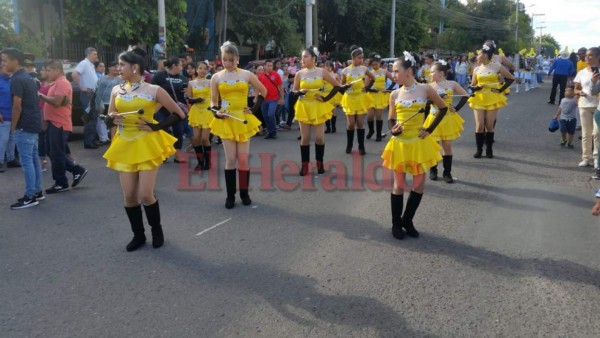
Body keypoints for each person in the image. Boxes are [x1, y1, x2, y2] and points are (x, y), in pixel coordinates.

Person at [103, 48, 185, 252]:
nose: (117, 68)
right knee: (129, 196)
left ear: (135, 67)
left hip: (146, 143)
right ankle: (138, 235)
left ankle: (156, 230)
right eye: (118, 65)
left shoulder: (153, 90)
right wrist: (112, 118)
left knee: (145, 194)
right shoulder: (117, 90)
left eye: (122, 64)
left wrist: (156, 126)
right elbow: (109, 115)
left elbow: (178, 114)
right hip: (124, 143)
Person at [382, 52, 448, 240]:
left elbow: (442, 108)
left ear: (409, 71)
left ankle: (407, 220)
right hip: (400, 144)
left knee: (419, 185)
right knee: (399, 185)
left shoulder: (426, 89)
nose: (393, 75)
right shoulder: (394, 94)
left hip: (419, 143)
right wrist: (393, 129)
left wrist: (429, 129)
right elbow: (391, 118)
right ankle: (396, 224)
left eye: (396, 71)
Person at [209, 42, 266, 209]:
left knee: (242, 159)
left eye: (231, 59)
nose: (228, 63)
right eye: (224, 59)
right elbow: (213, 100)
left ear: (237, 59)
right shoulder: (216, 77)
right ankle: (230, 196)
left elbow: (263, 91)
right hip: (226, 119)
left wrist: (254, 108)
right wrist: (215, 111)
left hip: (242, 119)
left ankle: (244, 193)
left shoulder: (247, 74)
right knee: (230, 159)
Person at [1, 48, 43, 209]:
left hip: (24, 125)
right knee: (33, 159)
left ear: (15, 61)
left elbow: (17, 106)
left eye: (5, 60)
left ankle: (30, 196)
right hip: (32, 123)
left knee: (27, 162)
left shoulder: (17, 79)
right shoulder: (27, 77)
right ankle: (37, 191)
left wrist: (13, 126)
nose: (3, 64)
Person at [39, 60, 88, 193]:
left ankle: (61, 182)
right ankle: (77, 170)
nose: (47, 73)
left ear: (57, 70)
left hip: (59, 123)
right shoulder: (55, 83)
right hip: (53, 122)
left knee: (57, 153)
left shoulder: (62, 83)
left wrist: (41, 96)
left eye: (49, 70)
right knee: (52, 152)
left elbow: (57, 102)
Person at [291, 46, 341, 176]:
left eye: (306, 56)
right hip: (304, 106)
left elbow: (337, 86)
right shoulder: (299, 74)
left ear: (314, 58)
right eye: (302, 57)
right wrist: (299, 92)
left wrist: (326, 98)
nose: (303, 59)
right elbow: (293, 92)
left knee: (319, 137)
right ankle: (305, 166)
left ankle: (320, 164)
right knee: (305, 138)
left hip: (318, 106)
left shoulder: (322, 72)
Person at [468, 43, 514, 158]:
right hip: (479, 98)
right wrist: (476, 88)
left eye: (478, 54)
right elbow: (472, 85)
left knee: (489, 125)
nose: (476, 56)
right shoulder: (476, 69)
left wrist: (500, 90)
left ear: (485, 55)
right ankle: (479, 150)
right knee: (479, 125)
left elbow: (510, 78)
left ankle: (489, 149)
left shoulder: (496, 66)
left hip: (492, 97)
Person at [426, 61, 468, 183]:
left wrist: (456, 108)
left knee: (447, 146)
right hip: (433, 118)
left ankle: (447, 172)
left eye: (432, 71)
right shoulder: (429, 86)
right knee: (433, 146)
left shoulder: (452, 84)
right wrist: (436, 99)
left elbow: (466, 95)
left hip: (447, 118)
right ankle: (433, 170)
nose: (430, 74)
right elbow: (425, 103)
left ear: (440, 73)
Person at [151, 57, 188, 163]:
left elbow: (186, 95)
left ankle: (178, 155)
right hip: (161, 108)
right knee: (163, 131)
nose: (182, 67)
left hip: (176, 109)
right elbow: (152, 91)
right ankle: (163, 154)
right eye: (180, 65)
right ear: (174, 65)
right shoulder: (159, 76)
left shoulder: (183, 78)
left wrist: (187, 92)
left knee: (178, 131)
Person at [341, 45, 375, 155]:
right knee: (351, 124)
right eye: (359, 58)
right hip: (349, 98)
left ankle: (361, 146)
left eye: (362, 58)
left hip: (360, 97)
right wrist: (347, 85)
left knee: (360, 122)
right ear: (353, 58)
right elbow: (341, 87)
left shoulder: (364, 69)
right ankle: (349, 144)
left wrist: (367, 88)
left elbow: (373, 78)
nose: (361, 60)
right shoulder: (345, 70)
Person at [574, 47, 600, 168]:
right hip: (584, 105)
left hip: (598, 106)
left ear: (598, 57)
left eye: (590, 55)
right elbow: (576, 88)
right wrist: (579, 93)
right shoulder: (582, 72)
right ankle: (586, 158)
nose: (587, 58)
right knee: (586, 133)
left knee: (597, 133)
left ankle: (596, 158)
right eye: (586, 56)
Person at [185, 61, 213, 171]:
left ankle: (208, 162)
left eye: (205, 68)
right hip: (196, 111)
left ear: (207, 70)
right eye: (200, 68)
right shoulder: (191, 83)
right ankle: (200, 163)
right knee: (196, 139)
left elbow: (215, 97)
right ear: (197, 70)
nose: (202, 70)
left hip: (207, 111)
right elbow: (189, 98)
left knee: (205, 139)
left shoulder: (211, 82)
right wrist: (196, 100)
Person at [72, 47, 100, 149]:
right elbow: (74, 74)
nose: (96, 56)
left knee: (94, 117)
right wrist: (81, 87)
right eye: (94, 54)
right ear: (88, 54)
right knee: (89, 118)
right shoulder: (84, 63)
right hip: (88, 94)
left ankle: (92, 139)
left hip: (93, 94)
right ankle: (88, 142)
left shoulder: (90, 65)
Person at [365, 53, 393, 142]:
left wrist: (389, 88)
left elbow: (394, 80)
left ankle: (378, 134)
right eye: (372, 65)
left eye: (376, 64)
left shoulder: (384, 71)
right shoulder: (370, 73)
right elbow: (366, 86)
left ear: (379, 63)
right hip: (371, 96)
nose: (374, 66)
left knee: (378, 116)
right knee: (369, 116)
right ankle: (371, 130)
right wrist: (371, 89)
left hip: (380, 95)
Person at [95, 61, 122, 140]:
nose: (116, 68)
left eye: (117, 66)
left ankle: (115, 137)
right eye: (114, 66)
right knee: (103, 120)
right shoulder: (103, 79)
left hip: (117, 103)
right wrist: (98, 103)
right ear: (109, 68)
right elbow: (98, 92)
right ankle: (104, 138)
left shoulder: (122, 79)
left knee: (115, 120)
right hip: (104, 103)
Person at [258, 60, 284, 139]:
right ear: (264, 66)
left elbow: (280, 87)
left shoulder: (276, 75)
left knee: (270, 114)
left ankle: (273, 131)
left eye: (271, 66)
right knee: (265, 116)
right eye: (268, 65)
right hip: (263, 99)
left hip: (273, 99)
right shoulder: (261, 76)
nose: (269, 67)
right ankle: (270, 131)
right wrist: (256, 97)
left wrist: (282, 98)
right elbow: (258, 87)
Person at [323, 61, 342, 133]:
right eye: (325, 66)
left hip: (333, 94)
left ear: (331, 67)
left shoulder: (335, 75)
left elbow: (339, 84)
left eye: (328, 66)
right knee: (326, 111)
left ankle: (333, 127)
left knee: (333, 111)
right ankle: (328, 127)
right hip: (325, 94)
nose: (326, 67)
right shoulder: (323, 75)